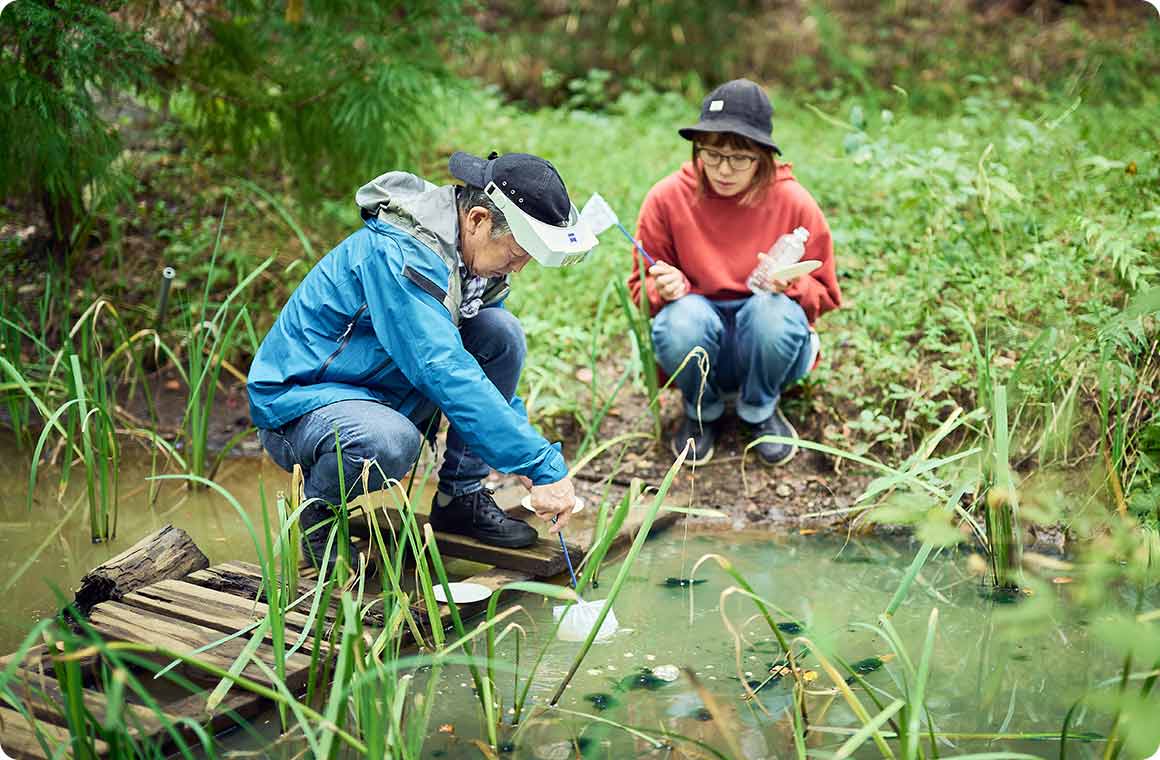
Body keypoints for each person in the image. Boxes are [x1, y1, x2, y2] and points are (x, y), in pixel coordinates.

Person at [247, 151, 597, 571]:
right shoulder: (403, 254)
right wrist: (540, 464)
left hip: (378, 390)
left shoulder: (466, 264)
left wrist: (525, 454)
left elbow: (481, 380)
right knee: (389, 441)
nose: (518, 269)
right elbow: (443, 368)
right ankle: (319, 514)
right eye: (517, 253)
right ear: (478, 220)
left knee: (499, 333)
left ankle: (459, 498)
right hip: (301, 405)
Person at [628, 79, 841, 466]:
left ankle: (759, 410)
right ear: (698, 149)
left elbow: (826, 294)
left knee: (771, 313)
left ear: (763, 156)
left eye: (740, 158)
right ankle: (701, 411)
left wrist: (793, 284)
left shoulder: (792, 202)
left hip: (765, 348)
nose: (724, 170)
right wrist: (666, 288)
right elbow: (641, 291)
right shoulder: (667, 198)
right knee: (681, 318)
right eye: (712, 155)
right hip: (697, 339)